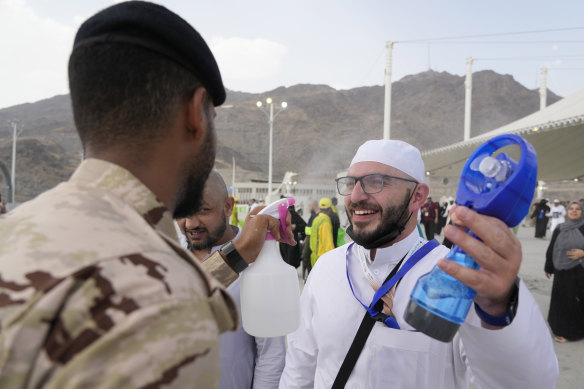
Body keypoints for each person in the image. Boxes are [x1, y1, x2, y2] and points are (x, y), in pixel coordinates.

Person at [0, 3, 295, 388]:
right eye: (213, 118)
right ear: (194, 114)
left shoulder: (14, 235)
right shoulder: (163, 298)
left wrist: (238, 255)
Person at [280, 139, 558, 388]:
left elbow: (530, 382)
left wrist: (498, 306)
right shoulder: (328, 268)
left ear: (418, 196)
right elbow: (299, 366)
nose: (356, 196)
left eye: (376, 181)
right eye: (351, 183)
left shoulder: (458, 277)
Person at [177, 171, 286, 388]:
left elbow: (272, 354)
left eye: (203, 210)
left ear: (228, 206)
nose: (190, 223)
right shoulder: (166, 254)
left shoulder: (260, 264)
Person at [544, 201, 584, 343]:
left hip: (580, 270)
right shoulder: (561, 228)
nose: (574, 211)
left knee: (577, 301)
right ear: (567, 211)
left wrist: (582, 253)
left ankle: (575, 331)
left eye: (578, 209)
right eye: (571, 209)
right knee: (562, 300)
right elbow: (552, 247)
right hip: (562, 271)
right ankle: (563, 330)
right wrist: (548, 267)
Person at [309, 197, 336, 267]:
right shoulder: (325, 221)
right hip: (323, 258)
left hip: (314, 256)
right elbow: (328, 243)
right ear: (329, 209)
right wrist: (334, 257)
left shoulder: (316, 219)